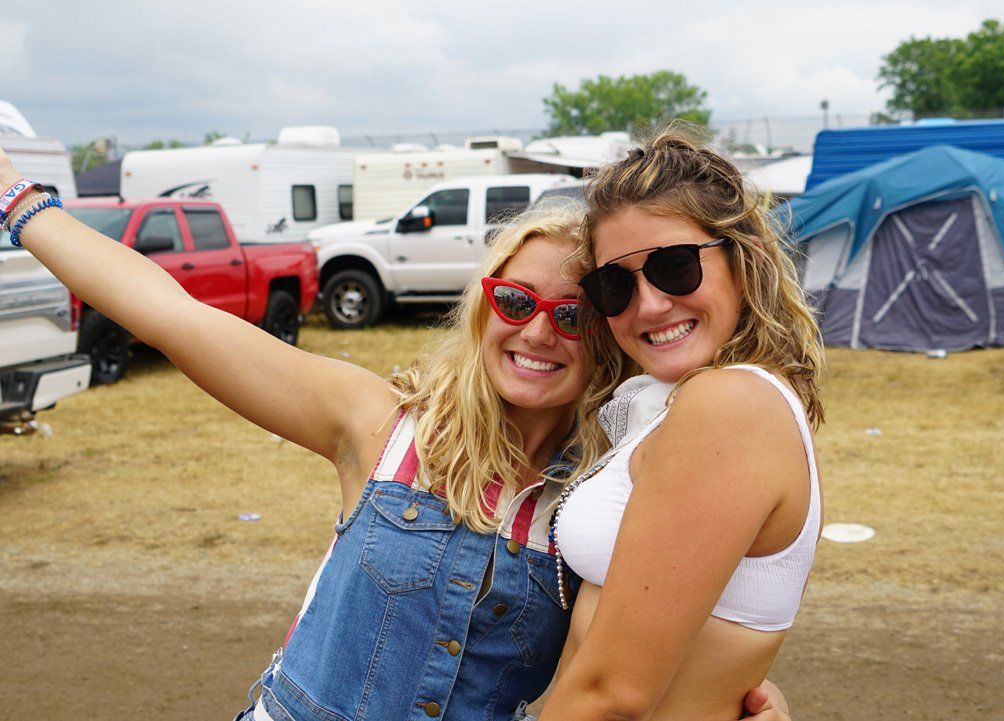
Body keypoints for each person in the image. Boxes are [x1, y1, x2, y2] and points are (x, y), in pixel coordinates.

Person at [0, 149, 791, 721]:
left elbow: (649, 651)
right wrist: (17, 203)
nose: (539, 332)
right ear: (485, 308)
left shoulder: (597, 501)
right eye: (515, 301)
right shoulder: (381, 426)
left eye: (575, 311)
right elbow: (170, 313)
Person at [536, 123, 825, 721]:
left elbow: (612, 693)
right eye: (614, 283)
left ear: (747, 260)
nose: (649, 304)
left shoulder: (729, 408)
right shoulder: (670, 405)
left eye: (675, 267)